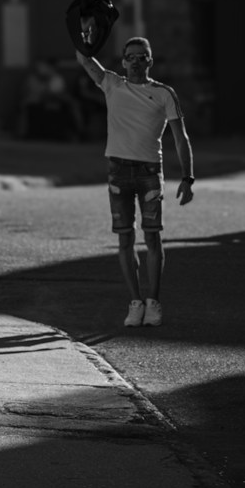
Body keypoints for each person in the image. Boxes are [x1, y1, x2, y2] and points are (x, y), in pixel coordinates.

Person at [76, 38, 194, 327]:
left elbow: (180, 138)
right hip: (118, 170)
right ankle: (135, 302)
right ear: (123, 61)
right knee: (125, 237)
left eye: (143, 57)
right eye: (131, 57)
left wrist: (188, 177)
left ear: (150, 61)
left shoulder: (164, 93)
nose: (136, 62)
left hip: (149, 172)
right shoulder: (112, 84)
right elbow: (84, 60)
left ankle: (153, 302)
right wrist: (84, 36)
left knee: (152, 236)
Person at [16, 58, 82, 140]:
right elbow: (30, 93)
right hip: (39, 102)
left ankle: (77, 132)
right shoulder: (33, 78)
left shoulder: (56, 79)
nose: (41, 69)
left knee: (69, 107)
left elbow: (56, 94)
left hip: (55, 103)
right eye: (39, 67)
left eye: (43, 67)